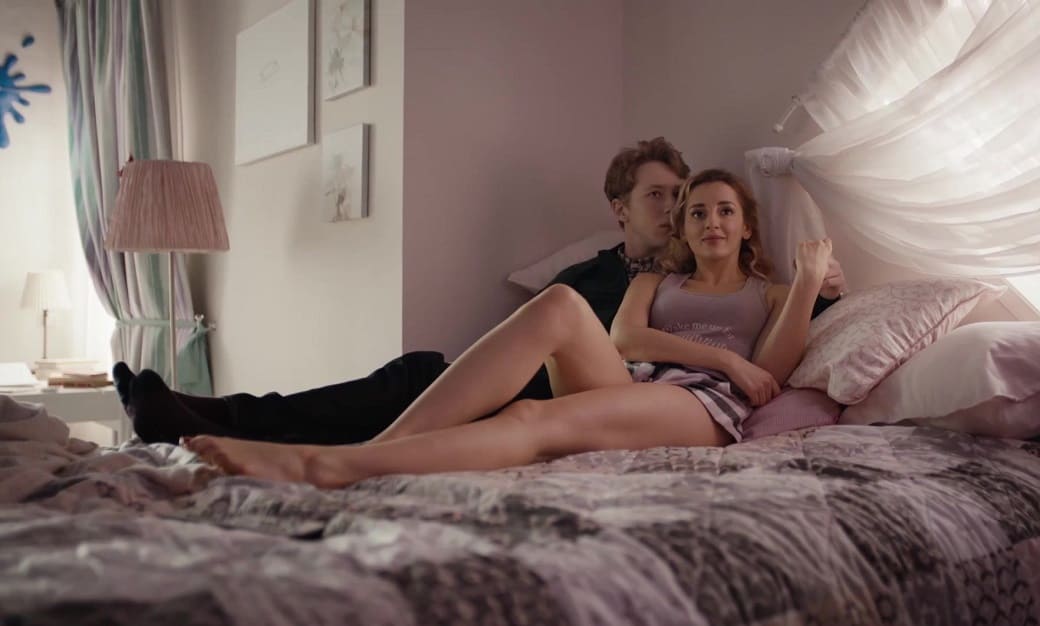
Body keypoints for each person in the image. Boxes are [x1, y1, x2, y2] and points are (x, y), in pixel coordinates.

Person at [116, 137, 846, 445]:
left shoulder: (693, 280)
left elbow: (763, 318)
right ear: (620, 210)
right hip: (535, 379)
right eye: (660, 197)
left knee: (414, 378)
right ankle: (211, 416)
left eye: (682, 199)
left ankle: (221, 419)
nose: (678, 209)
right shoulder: (586, 275)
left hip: (594, 398)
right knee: (418, 373)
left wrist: (822, 289)